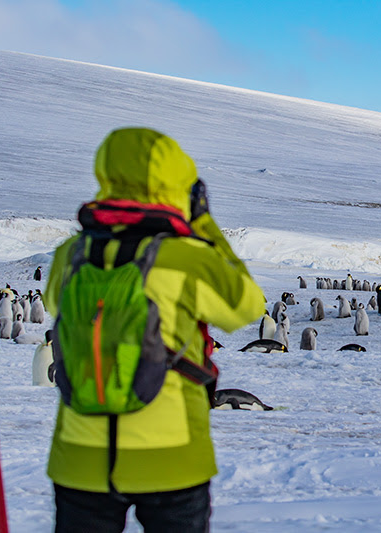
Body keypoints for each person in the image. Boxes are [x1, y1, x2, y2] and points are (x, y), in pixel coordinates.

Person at [43, 128, 265, 532]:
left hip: (79, 454)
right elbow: (245, 305)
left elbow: (52, 305)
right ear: (177, 183)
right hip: (171, 453)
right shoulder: (186, 257)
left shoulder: (70, 255)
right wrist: (204, 225)